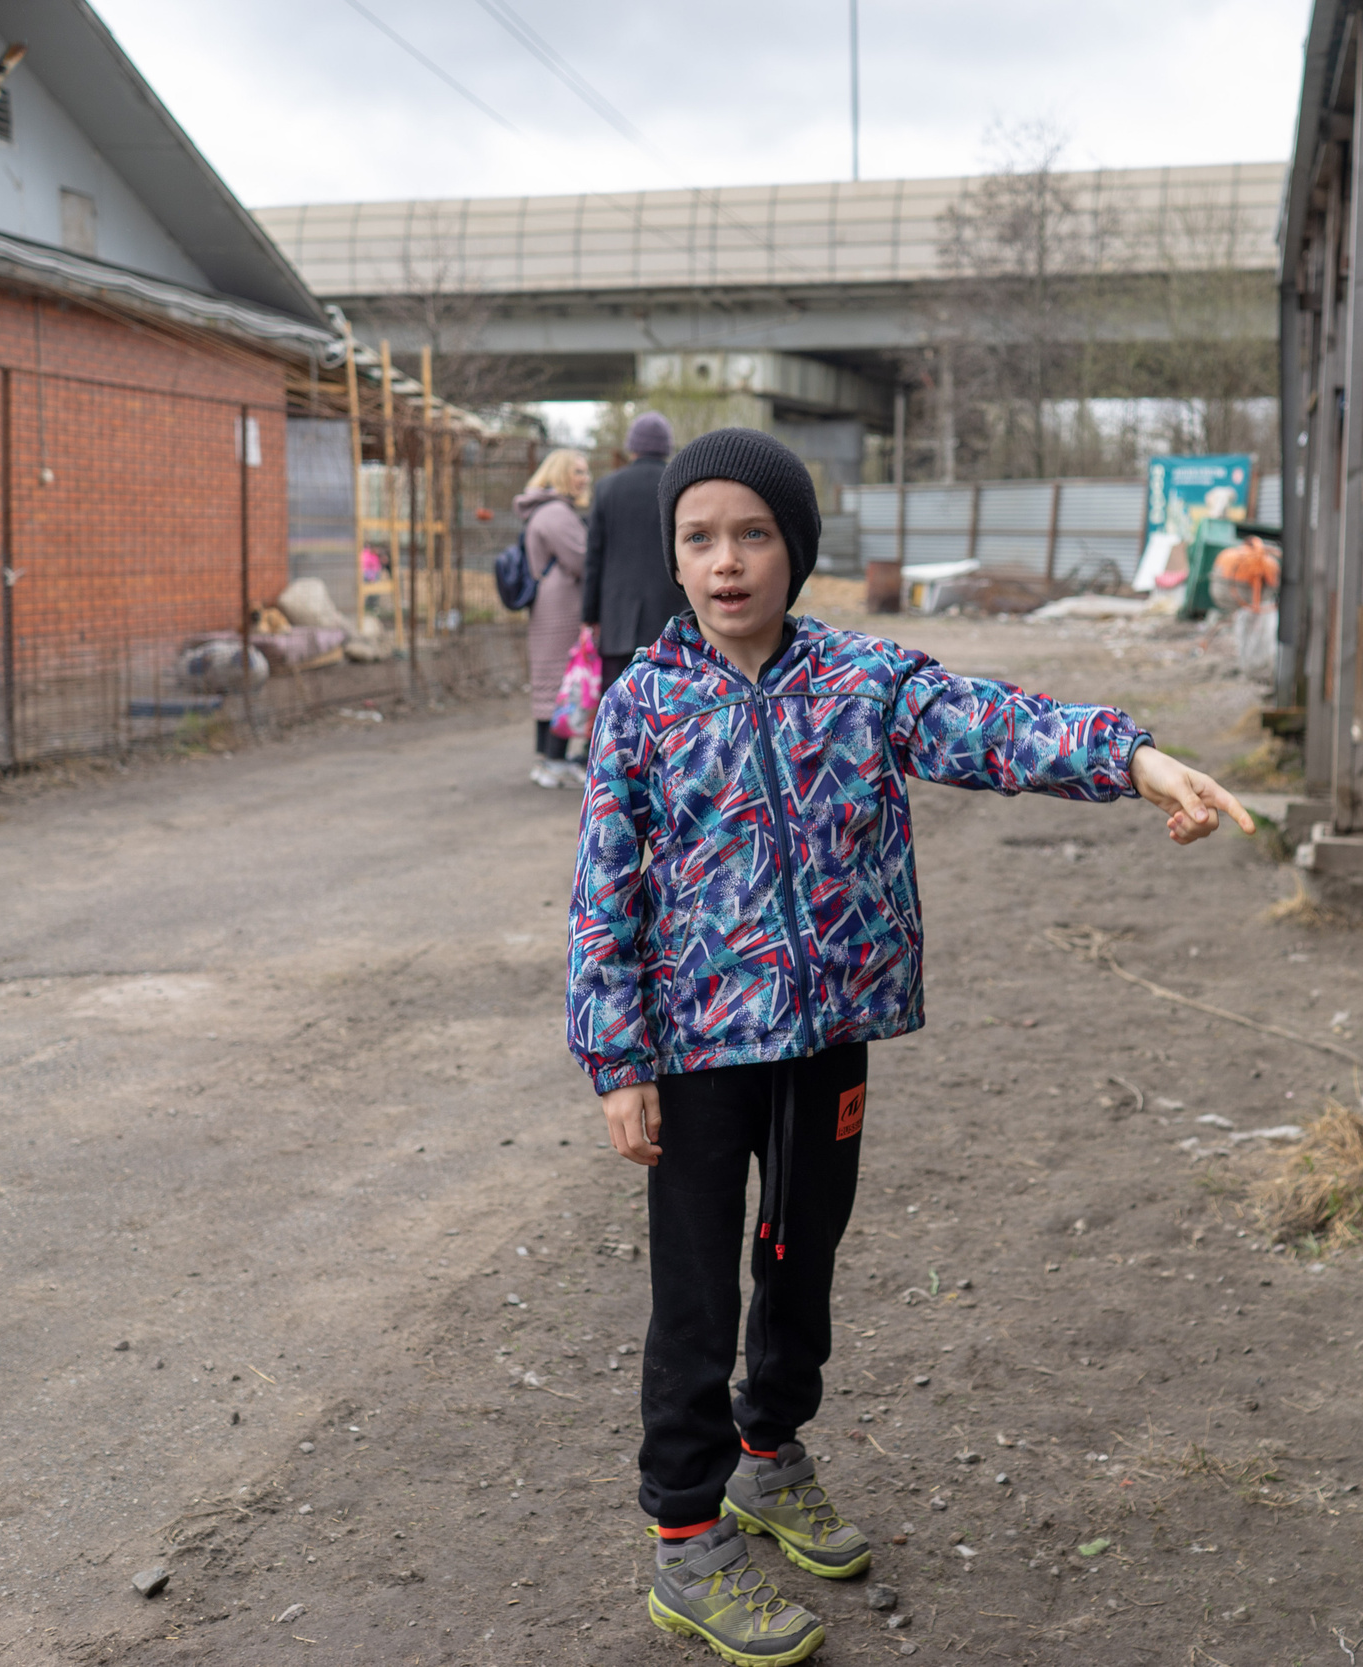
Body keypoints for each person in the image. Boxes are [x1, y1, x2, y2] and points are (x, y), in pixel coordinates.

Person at [566, 428, 1254, 1664]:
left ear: (797, 548)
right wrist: (617, 1062)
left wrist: (1134, 758)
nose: (727, 563)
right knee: (695, 1291)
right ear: (672, 557)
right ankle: (684, 1539)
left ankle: (768, 1460)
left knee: (802, 1255)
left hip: (829, 1038)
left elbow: (997, 725)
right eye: (699, 538)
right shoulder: (641, 710)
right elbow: (602, 897)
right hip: (700, 1052)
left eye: (755, 534)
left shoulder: (863, 681)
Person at [581, 411, 687, 689]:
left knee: (618, 702)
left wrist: (590, 616)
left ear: (632, 447)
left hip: (617, 620)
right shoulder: (678, 486)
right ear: (666, 447)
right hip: (670, 615)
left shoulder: (607, 488)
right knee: (668, 704)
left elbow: (594, 558)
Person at [516, 447, 591, 788]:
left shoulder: (540, 511)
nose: (584, 478)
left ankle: (544, 760)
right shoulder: (557, 513)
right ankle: (555, 760)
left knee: (549, 681)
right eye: (577, 471)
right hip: (562, 607)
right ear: (560, 473)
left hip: (547, 605)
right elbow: (581, 559)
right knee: (565, 681)